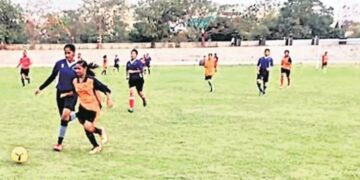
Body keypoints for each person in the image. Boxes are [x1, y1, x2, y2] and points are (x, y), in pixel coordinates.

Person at [60, 60, 112, 154]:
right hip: (82, 107)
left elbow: (105, 88)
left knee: (88, 126)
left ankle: (100, 132)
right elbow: (76, 91)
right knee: (85, 127)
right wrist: (66, 94)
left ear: (85, 69)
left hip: (93, 107)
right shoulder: (75, 81)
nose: (77, 70)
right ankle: (96, 146)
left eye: (79, 68)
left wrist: (109, 99)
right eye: (76, 68)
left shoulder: (91, 80)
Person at [35, 44, 78, 151]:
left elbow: (86, 78)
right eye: (65, 53)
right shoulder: (59, 64)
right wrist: (40, 88)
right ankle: (81, 114)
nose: (67, 55)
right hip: (59, 94)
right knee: (65, 119)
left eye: (69, 53)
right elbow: (52, 77)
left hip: (71, 94)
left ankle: (59, 144)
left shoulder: (78, 65)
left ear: (74, 53)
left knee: (64, 116)